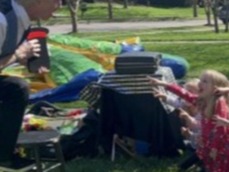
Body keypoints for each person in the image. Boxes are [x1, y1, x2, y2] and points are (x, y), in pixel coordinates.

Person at [0, 0, 59, 168]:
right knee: (17, 88)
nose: (60, 4)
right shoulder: (2, 20)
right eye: (57, 0)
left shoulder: (21, 20)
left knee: (15, 88)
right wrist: (18, 54)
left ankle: (4, 153)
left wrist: (27, 61)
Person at [148, 69, 229, 172]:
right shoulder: (203, 101)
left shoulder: (218, 105)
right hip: (208, 143)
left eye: (205, 81)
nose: (200, 83)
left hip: (220, 146)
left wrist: (214, 148)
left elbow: (221, 130)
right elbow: (184, 94)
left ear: (216, 88)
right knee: (210, 164)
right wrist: (163, 84)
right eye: (201, 80)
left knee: (219, 166)